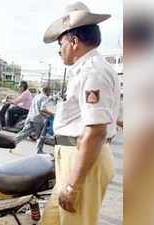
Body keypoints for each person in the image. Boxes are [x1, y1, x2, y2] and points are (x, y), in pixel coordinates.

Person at [41, 2, 120, 225]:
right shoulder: (86, 70)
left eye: (61, 42)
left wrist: (73, 185)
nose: (59, 49)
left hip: (82, 161)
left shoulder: (93, 72)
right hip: (73, 159)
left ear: (74, 42)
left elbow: (95, 132)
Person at [13, 86, 53, 153]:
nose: (50, 93)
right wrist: (51, 114)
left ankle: (12, 143)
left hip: (30, 117)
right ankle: (39, 150)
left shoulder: (36, 96)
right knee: (41, 135)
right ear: (47, 91)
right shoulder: (45, 98)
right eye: (50, 92)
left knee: (24, 133)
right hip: (38, 119)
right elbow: (42, 109)